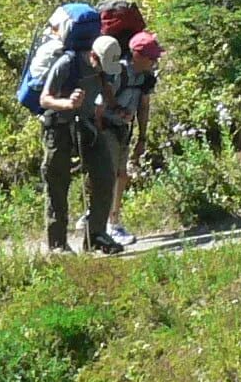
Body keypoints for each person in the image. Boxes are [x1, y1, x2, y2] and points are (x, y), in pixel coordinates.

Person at [38, 33, 123, 254]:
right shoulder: (67, 64)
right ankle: (57, 245)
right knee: (58, 184)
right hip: (58, 127)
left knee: (105, 176)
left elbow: (104, 92)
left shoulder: (103, 69)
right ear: (93, 55)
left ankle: (95, 236)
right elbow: (45, 99)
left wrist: (110, 110)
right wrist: (68, 103)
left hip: (86, 125)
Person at [101, 31, 161, 246]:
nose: (156, 61)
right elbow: (101, 103)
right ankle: (108, 223)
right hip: (106, 128)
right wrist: (116, 114)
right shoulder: (118, 72)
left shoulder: (146, 77)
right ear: (138, 56)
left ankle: (109, 220)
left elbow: (144, 106)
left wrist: (142, 137)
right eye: (152, 57)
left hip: (123, 130)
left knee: (120, 175)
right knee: (112, 175)